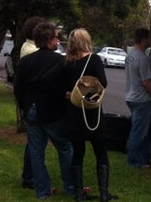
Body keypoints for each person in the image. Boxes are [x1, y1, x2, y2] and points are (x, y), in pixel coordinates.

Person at [13, 20, 74, 199]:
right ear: (49, 40)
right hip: (53, 112)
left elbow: (18, 88)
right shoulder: (61, 61)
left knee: (36, 151)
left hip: (31, 110)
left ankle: (42, 190)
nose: (58, 41)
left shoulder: (25, 62)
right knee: (64, 147)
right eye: (57, 37)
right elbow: (67, 87)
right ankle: (70, 187)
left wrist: (24, 106)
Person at [62, 28, 116, 201]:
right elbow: (103, 83)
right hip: (92, 113)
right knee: (100, 152)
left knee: (77, 153)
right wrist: (85, 90)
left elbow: (63, 87)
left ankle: (79, 193)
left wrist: (74, 93)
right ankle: (104, 193)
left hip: (74, 111)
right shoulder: (94, 60)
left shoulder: (67, 62)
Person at [125, 28, 151, 168]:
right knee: (138, 132)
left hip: (130, 97)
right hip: (140, 99)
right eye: (149, 38)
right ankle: (134, 161)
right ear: (143, 40)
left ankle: (145, 158)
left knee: (143, 129)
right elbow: (146, 82)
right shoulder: (142, 58)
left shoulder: (130, 55)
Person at [19, 16, 45, 190]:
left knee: (34, 142)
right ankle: (29, 176)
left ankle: (30, 175)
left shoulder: (28, 46)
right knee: (35, 143)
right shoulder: (31, 50)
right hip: (36, 102)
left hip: (32, 101)